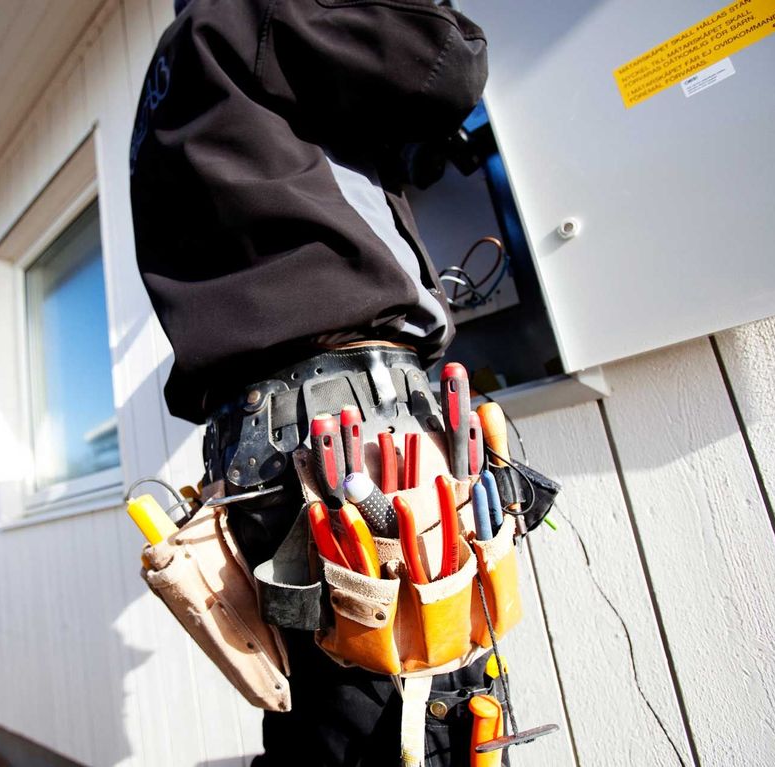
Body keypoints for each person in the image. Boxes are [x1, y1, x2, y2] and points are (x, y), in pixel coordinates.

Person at [130, 1, 496, 764]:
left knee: (326, 723)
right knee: (418, 714)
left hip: (253, 448)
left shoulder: (169, 74)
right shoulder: (260, 9)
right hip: (353, 415)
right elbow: (449, 59)